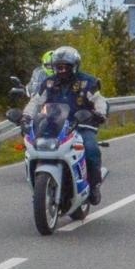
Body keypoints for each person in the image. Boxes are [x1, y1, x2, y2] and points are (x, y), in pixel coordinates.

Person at [25, 45, 108, 204]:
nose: (61, 70)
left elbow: (99, 100)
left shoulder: (86, 82)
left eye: (65, 67)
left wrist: (99, 113)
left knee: (91, 149)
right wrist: (26, 117)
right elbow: (35, 102)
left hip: (81, 125)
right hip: (54, 126)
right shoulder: (48, 83)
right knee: (35, 148)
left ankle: (94, 185)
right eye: (58, 67)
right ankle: (40, 189)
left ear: (74, 67)